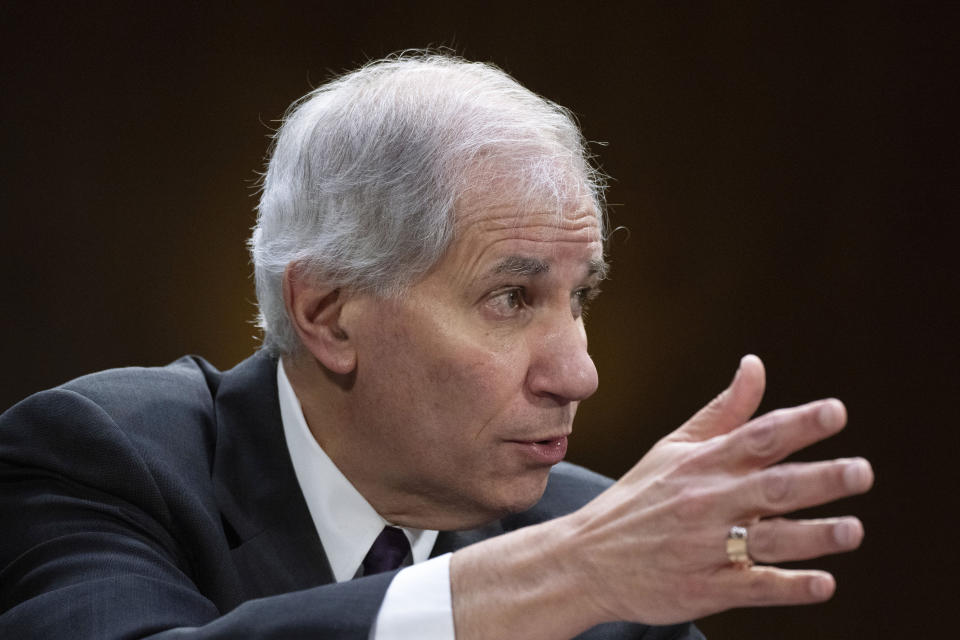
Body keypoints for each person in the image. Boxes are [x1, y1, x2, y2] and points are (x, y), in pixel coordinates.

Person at [0, 52, 872, 639]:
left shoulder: (589, 536)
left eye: (581, 297)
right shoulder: (100, 461)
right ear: (330, 314)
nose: (580, 371)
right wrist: (558, 578)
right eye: (510, 297)